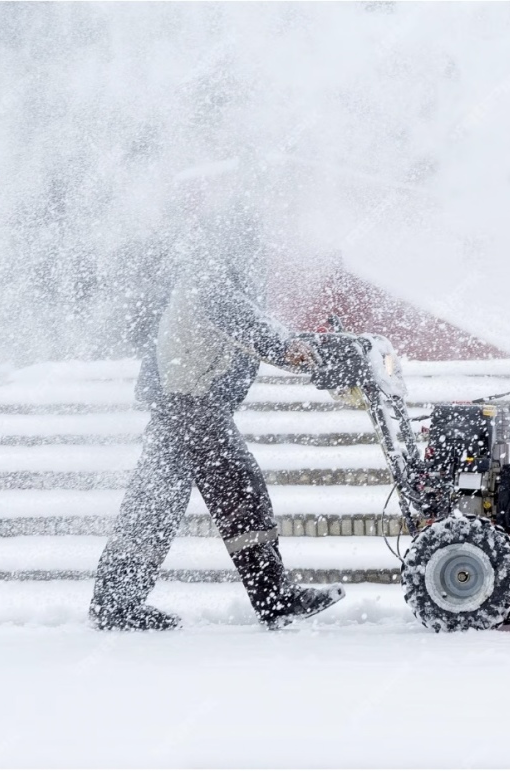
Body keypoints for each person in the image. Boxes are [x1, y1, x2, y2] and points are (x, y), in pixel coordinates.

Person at [90, 201, 343, 631]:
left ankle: (115, 602)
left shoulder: (205, 277)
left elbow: (252, 324)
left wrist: (303, 345)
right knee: (242, 496)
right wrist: (296, 353)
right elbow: (251, 327)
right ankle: (275, 599)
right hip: (192, 409)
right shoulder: (210, 282)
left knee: (156, 505)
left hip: (180, 407)